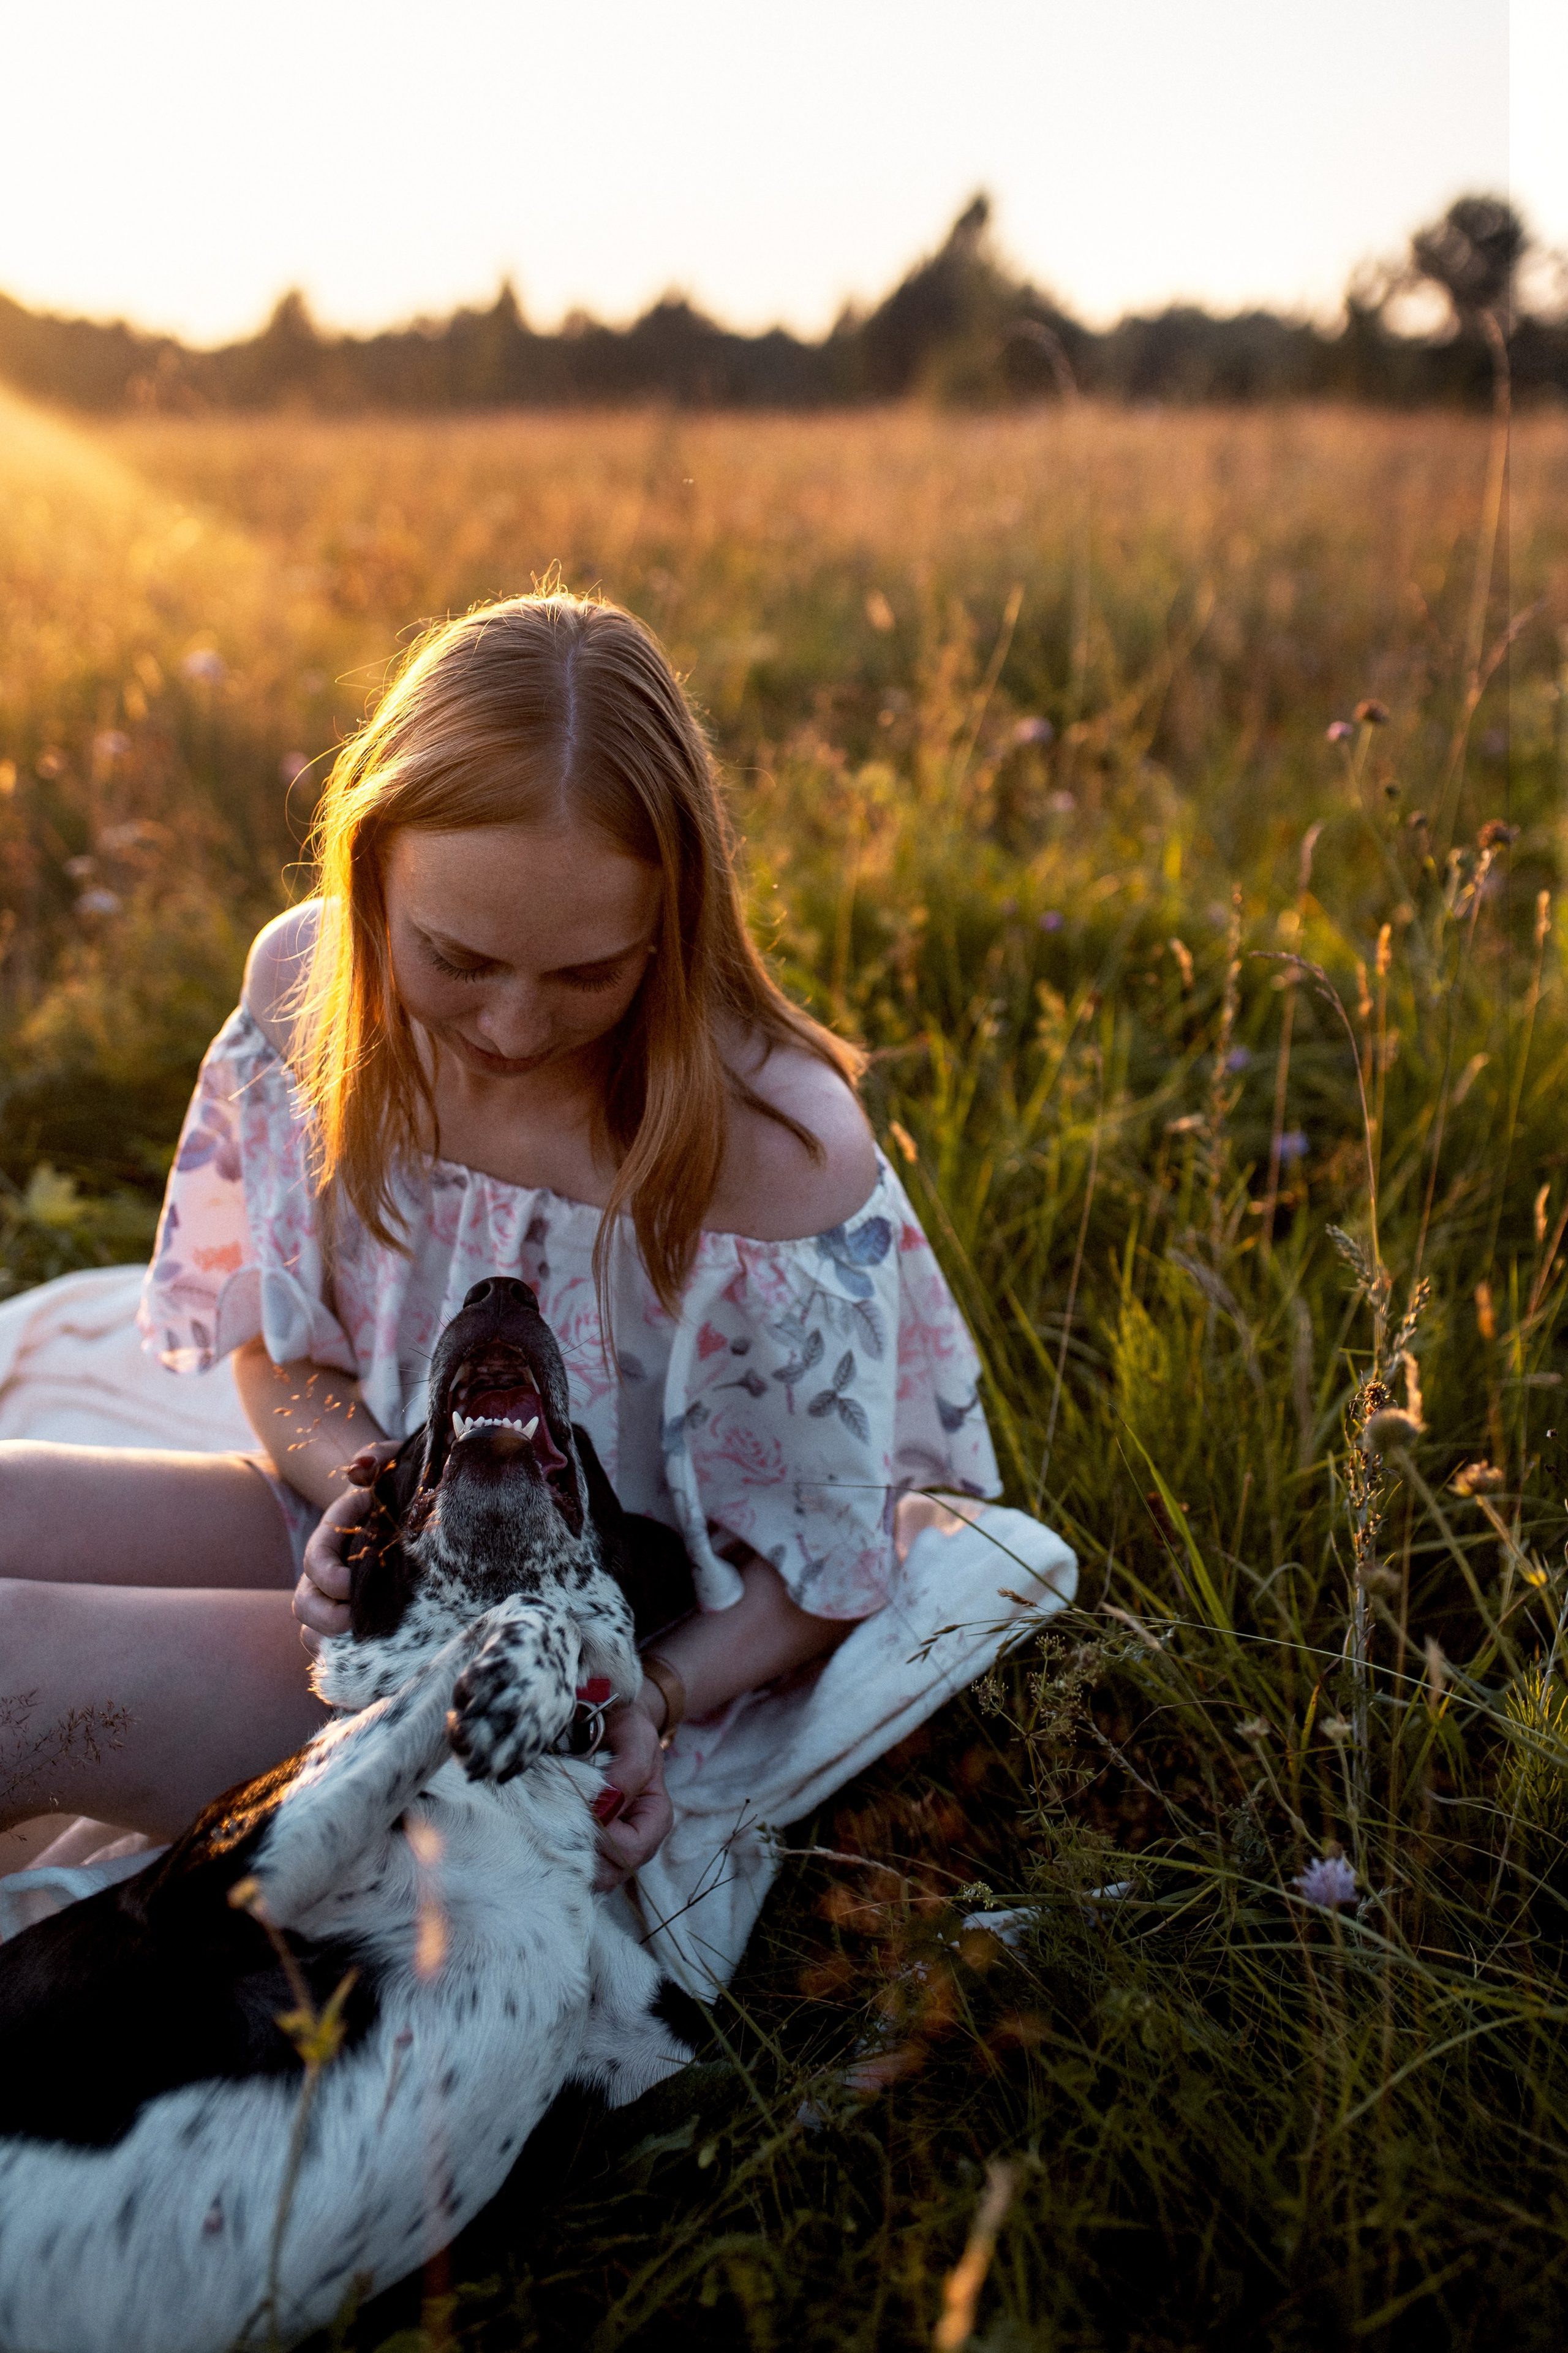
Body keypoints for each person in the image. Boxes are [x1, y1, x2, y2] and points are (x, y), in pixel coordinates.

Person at [0, 592, 999, 1890]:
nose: (516, 1027)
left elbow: (832, 1554)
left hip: (568, 1648)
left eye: (588, 973)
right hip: (371, 1524)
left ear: (673, 926)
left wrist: (649, 1689)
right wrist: (364, 1496)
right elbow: (271, 1346)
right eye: (456, 957)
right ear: (371, 875)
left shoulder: (767, 1144)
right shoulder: (307, 995)